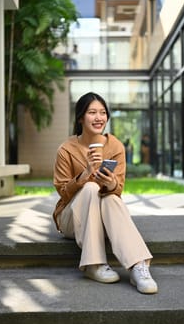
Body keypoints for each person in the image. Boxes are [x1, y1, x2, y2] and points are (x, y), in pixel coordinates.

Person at [52, 92, 158, 294]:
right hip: (70, 219)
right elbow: (64, 194)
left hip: (103, 216)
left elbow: (117, 191)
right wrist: (85, 174)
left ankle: (138, 266)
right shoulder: (66, 149)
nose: (99, 117)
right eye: (92, 112)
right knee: (91, 187)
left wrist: (110, 183)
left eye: (102, 113)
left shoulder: (115, 145)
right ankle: (94, 264)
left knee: (110, 199)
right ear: (81, 117)